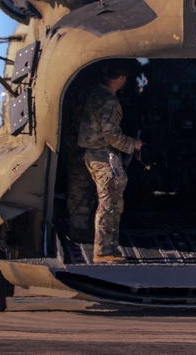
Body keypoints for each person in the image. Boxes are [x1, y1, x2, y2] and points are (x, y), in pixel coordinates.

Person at [77, 60, 143, 264]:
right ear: (122, 79)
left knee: (108, 201)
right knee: (110, 203)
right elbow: (111, 133)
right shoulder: (110, 101)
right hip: (103, 155)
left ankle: (106, 248)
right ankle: (103, 251)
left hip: (93, 153)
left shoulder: (96, 93)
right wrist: (134, 145)